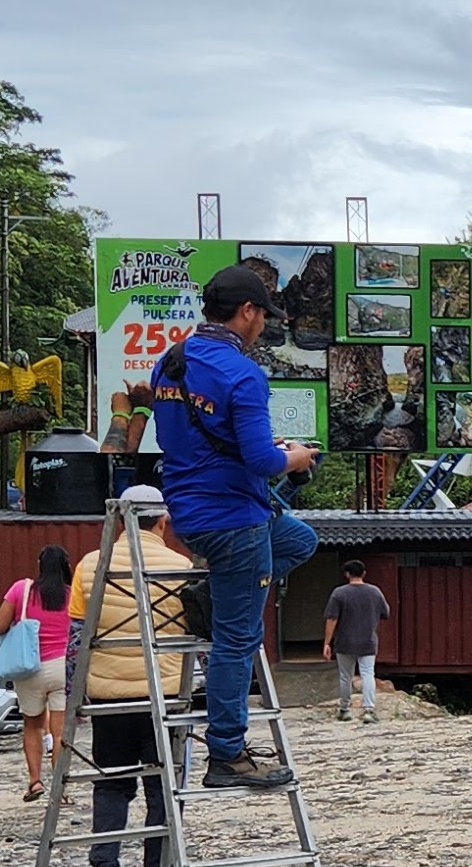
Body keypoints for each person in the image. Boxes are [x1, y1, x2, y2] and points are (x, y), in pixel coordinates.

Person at [147, 259, 321, 790]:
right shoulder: (243, 374)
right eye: (263, 316)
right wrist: (295, 457)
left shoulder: (171, 362)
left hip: (189, 512)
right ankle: (226, 754)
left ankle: (215, 595)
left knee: (299, 539)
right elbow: (262, 462)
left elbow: (191, 438)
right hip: (234, 518)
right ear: (246, 311)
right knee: (237, 639)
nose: (264, 326)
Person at [69, 516, 196, 867]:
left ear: (122, 520)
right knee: (163, 792)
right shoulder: (182, 566)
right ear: (163, 521)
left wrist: (76, 695)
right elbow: (194, 631)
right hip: (165, 695)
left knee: (111, 784)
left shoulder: (90, 564)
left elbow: (77, 636)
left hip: (110, 697)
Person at [0, 543, 72, 798]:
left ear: (40, 565)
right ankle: (60, 790)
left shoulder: (22, 589)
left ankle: (35, 781)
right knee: (60, 733)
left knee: (32, 726)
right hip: (62, 667)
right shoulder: (71, 595)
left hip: (29, 666)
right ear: (66, 567)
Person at [323, 558, 389, 722]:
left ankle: (345, 709)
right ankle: (368, 710)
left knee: (345, 676)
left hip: (344, 642)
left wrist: (327, 643)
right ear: (364, 573)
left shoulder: (339, 593)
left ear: (347, 574)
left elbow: (332, 619)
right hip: (368, 640)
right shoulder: (375, 592)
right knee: (368, 674)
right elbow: (385, 613)